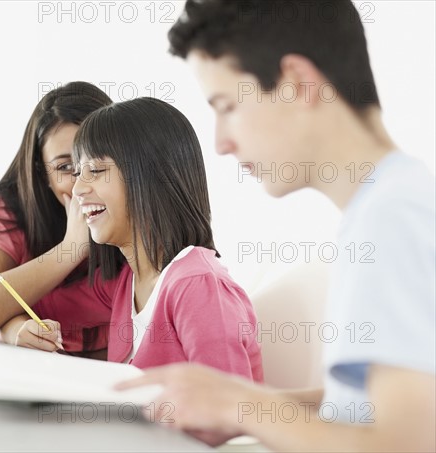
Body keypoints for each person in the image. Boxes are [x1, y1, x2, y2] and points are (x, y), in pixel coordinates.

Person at [117, 1, 436, 451]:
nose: (221, 143)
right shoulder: (391, 203)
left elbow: (406, 444)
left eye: (226, 105)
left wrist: (239, 407)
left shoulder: (392, 218)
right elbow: (370, 403)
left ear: (296, 84)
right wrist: (238, 401)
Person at [11, 97, 263, 380]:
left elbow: (227, 413)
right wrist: (23, 331)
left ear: (148, 176)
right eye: (77, 172)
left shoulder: (197, 287)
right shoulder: (124, 283)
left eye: (94, 170)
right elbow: (20, 303)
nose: (78, 188)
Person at [0, 82, 114, 355]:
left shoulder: (133, 217)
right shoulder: (13, 210)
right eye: (66, 167)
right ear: (43, 174)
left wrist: (9, 321)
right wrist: (69, 250)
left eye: (95, 164)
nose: (81, 185)